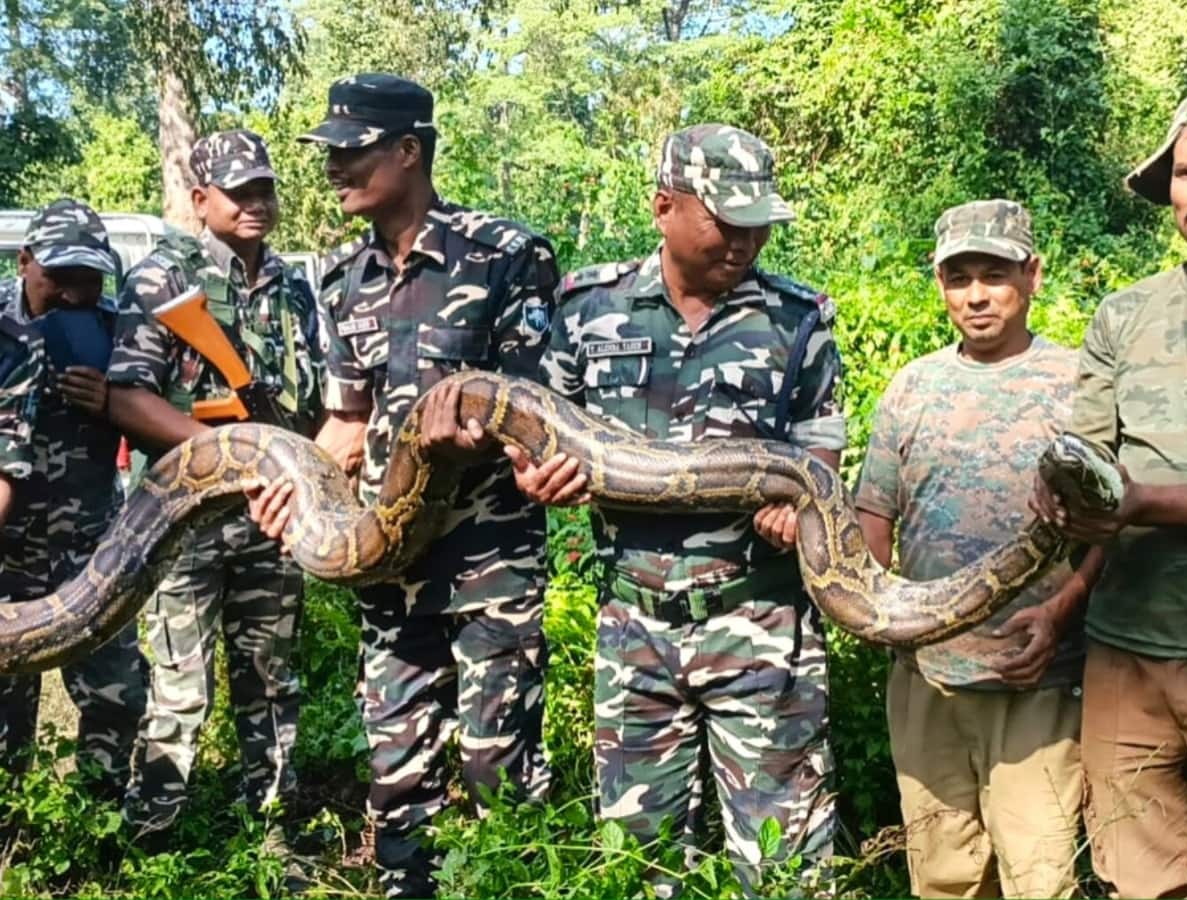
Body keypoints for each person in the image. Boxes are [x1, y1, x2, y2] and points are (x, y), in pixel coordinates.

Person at [512, 123, 843, 894]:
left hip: (762, 623)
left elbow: (819, 457)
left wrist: (803, 514)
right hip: (635, 628)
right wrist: (534, 476)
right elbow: (534, 426)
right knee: (638, 867)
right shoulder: (589, 308)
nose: (746, 240)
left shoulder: (799, 321)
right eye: (727, 220)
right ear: (664, 207)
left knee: (784, 870)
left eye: (758, 222)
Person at [254, 73, 559, 898]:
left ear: (409, 151)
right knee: (397, 778)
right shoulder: (341, 278)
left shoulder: (506, 254)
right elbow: (345, 425)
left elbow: (538, 406)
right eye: (331, 154)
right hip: (387, 571)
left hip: (488, 564)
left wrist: (468, 429)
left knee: (502, 767)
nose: (334, 169)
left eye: (351, 152)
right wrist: (294, 487)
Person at [855, 199, 1101, 898]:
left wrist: (1062, 612)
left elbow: (1115, 525)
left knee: (1040, 876)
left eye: (994, 274)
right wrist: (878, 611)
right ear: (939, 286)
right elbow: (875, 512)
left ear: (1032, 275)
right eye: (958, 277)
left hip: (1037, 682)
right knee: (943, 877)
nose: (975, 295)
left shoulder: (1079, 382)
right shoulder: (912, 387)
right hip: (926, 681)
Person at [106, 131, 323, 838]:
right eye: (239, 192)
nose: (257, 203)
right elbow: (128, 397)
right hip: (183, 520)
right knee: (178, 688)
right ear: (201, 200)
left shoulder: (293, 284)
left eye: (265, 188)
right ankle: (153, 836)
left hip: (271, 515)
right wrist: (227, 450)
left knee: (270, 677)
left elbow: (317, 393)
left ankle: (273, 831)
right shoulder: (165, 279)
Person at [1032, 88, 1187, 899]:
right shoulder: (1124, 317)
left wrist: (1143, 504)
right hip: (1129, 647)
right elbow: (1093, 468)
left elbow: (1129, 498)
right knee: (1141, 879)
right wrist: (1064, 499)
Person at [0, 198, 147, 798]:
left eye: (89, 280)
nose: (75, 294)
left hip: (92, 548)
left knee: (118, 695)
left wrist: (114, 402)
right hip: (7, 553)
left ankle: (100, 828)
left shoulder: (117, 330)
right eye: (61, 278)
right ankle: (13, 837)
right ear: (26, 261)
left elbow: (156, 433)